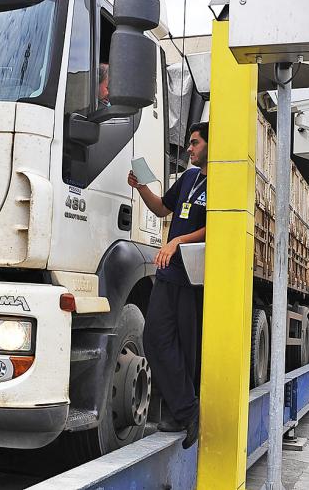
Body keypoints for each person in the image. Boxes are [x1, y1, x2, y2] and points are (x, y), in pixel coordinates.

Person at [127, 121, 208, 449]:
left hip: (191, 275)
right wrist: (141, 187)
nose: (188, 149)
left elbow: (219, 225)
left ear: (211, 145)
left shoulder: (221, 180)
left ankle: (181, 413)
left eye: (195, 143)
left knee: (185, 346)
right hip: (169, 272)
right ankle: (188, 409)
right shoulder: (189, 178)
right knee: (156, 339)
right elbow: (162, 207)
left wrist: (177, 242)